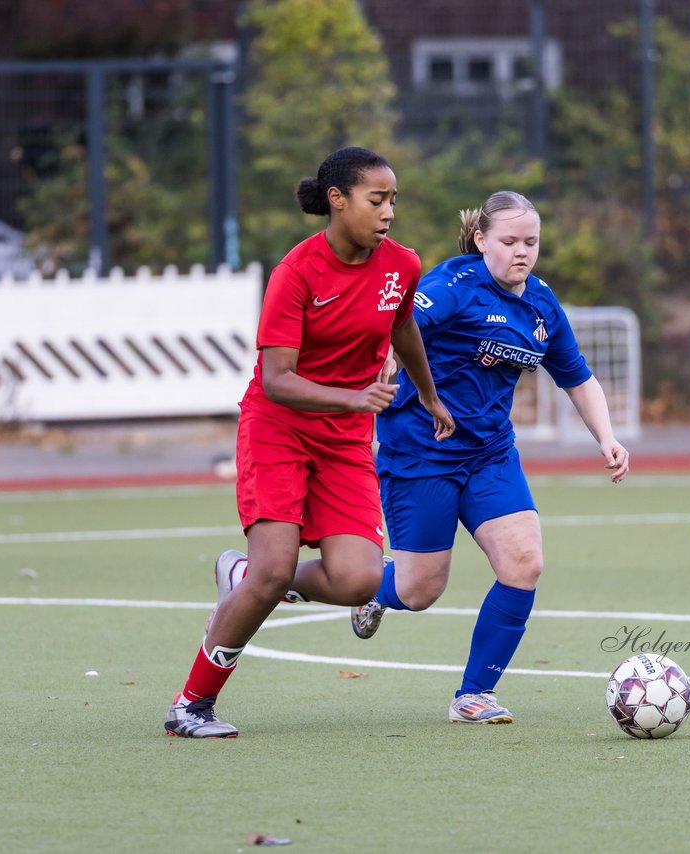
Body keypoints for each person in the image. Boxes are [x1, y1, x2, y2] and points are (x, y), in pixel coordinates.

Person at [163, 146, 456, 738]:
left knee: (359, 579)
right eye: (377, 200)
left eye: (394, 200)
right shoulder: (296, 273)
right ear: (337, 200)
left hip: (345, 438)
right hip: (279, 427)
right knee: (274, 573)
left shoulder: (401, 265)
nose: (388, 212)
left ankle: (242, 572)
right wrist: (353, 398)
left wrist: (428, 394)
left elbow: (402, 326)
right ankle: (191, 704)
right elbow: (277, 379)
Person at [352, 191, 630, 724]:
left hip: (489, 453)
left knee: (525, 562)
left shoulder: (541, 304)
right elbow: (398, 324)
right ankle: (370, 589)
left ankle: (473, 694)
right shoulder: (452, 286)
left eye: (531, 242)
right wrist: (384, 364)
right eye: (508, 241)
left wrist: (607, 437)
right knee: (419, 589)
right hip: (421, 451)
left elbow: (577, 378)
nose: (521, 252)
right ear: (481, 240)